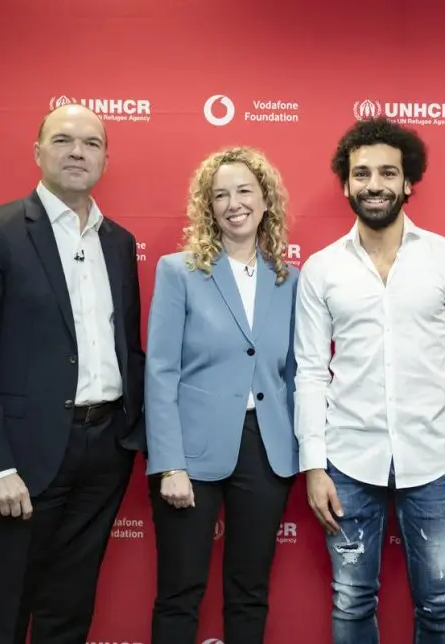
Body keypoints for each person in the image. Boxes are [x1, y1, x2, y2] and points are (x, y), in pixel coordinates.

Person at [0, 103, 145, 644]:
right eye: (62, 140)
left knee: (70, 607)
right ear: (38, 152)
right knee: (5, 605)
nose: (77, 151)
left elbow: (127, 348)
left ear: (106, 158)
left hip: (105, 452)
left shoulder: (119, 243)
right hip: (23, 456)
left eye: (91, 143)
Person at [294, 117, 445, 644]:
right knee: (351, 601)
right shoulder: (320, 269)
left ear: (408, 182)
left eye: (387, 173)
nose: (374, 184)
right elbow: (310, 371)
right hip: (346, 461)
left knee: (439, 603)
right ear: (345, 183)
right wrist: (313, 465)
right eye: (362, 174)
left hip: (432, 462)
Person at [144, 146, 299, 644]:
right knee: (180, 590)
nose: (234, 203)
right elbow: (161, 371)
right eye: (220, 195)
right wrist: (169, 463)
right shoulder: (179, 271)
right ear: (207, 208)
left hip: (266, 449)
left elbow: (297, 373)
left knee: (250, 589)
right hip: (190, 452)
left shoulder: (290, 279)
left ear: (266, 199)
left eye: (244, 191)